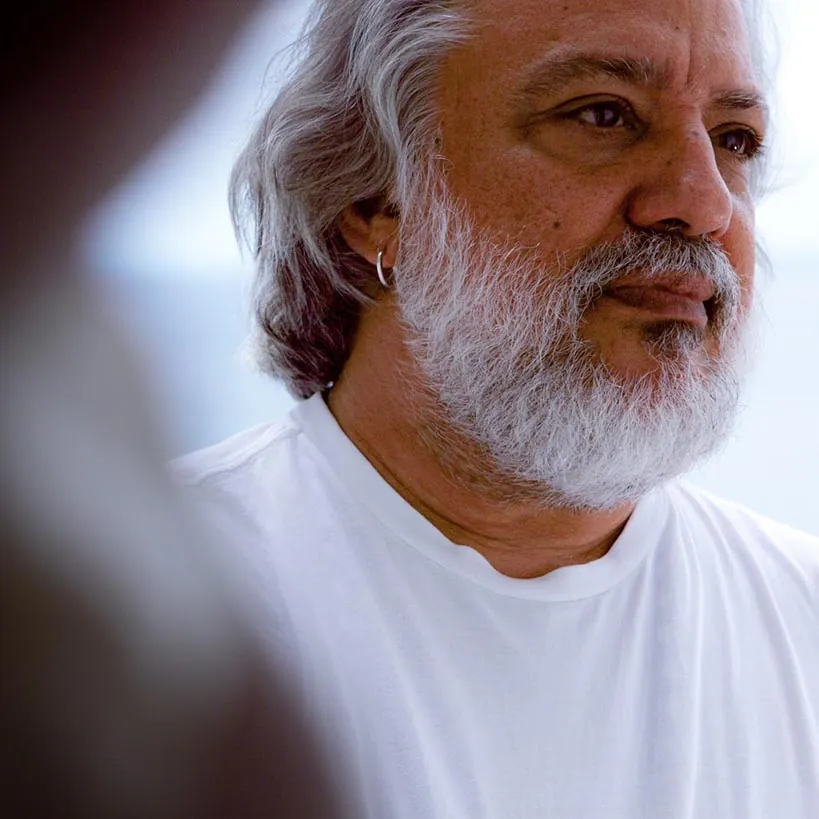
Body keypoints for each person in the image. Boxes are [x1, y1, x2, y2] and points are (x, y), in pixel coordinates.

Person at [177, 0, 819, 816]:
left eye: (734, 140)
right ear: (377, 199)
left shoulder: (801, 621)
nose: (703, 204)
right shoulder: (132, 623)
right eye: (602, 114)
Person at [0, 2, 337, 817]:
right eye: (599, 116)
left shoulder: (65, 367)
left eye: (717, 136)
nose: (700, 199)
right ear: (373, 215)